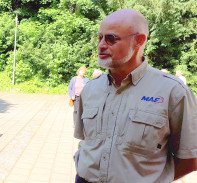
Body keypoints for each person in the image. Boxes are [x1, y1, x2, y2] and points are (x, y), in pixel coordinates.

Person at [74, 9, 197, 183]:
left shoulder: (173, 92)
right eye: (99, 37)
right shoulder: (90, 89)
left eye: (111, 38)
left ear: (139, 40)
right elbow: (86, 143)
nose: (101, 45)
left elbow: (190, 158)